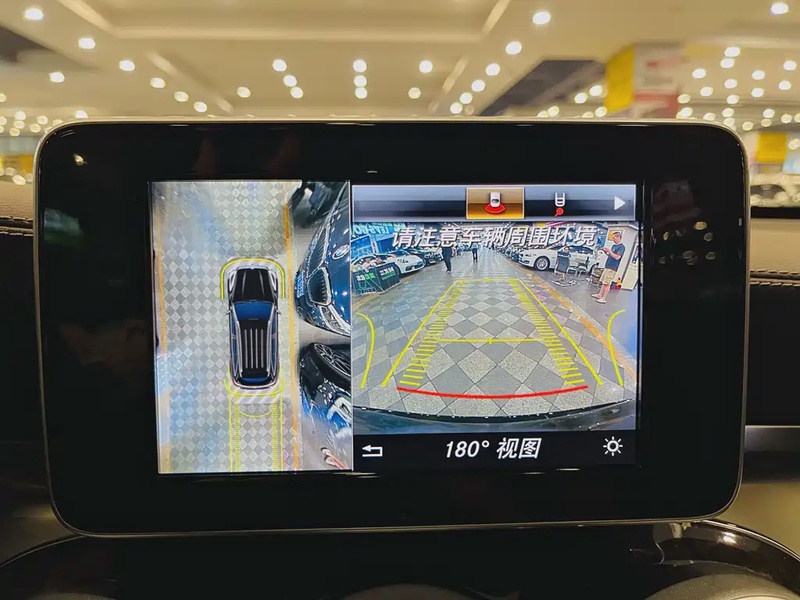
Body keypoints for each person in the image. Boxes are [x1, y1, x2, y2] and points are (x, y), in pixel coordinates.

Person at [593, 231, 625, 304]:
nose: (613, 239)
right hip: (607, 266)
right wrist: (606, 252)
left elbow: (617, 257)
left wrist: (609, 251)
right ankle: (600, 294)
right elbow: (611, 255)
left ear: (618, 237)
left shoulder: (621, 247)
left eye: (614, 238)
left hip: (612, 268)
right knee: (603, 282)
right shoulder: (614, 246)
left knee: (607, 283)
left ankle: (603, 298)